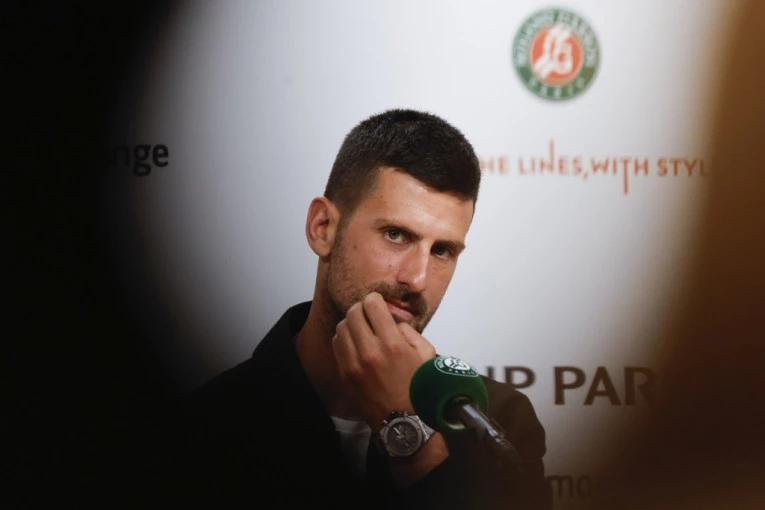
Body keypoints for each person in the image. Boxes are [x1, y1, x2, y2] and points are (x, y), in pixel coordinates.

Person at [162, 109, 552, 509]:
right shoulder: (205, 427)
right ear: (323, 228)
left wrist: (409, 429)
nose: (417, 279)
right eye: (396, 234)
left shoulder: (497, 424)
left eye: (442, 250)